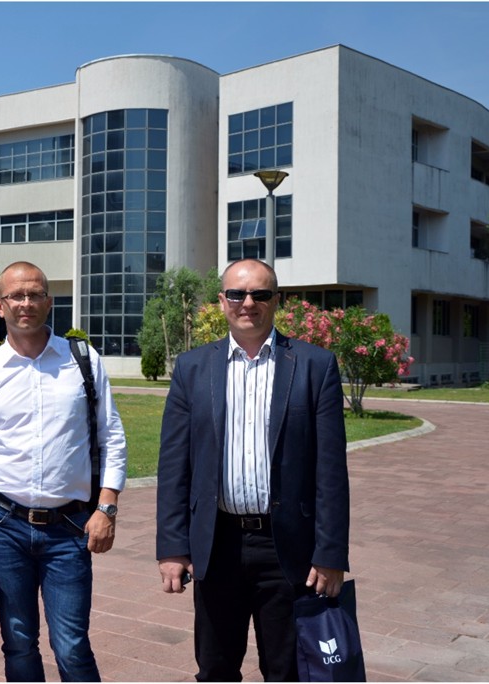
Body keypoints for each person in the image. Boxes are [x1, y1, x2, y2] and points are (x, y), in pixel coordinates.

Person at [155, 258, 350, 682]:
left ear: (276, 300)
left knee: (288, 670)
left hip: (287, 547)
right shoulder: (192, 368)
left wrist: (331, 553)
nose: (248, 303)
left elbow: (331, 471)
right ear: (221, 300)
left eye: (260, 294)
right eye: (237, 294)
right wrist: (172, 546)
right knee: (215, 668)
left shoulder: (314, 366)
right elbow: (173, 465)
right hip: (216, 543)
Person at [0, 261, 128, 682]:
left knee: (71, 643)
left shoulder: (81, 361)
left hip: (69, 527)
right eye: (16, 295)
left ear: (49, 302)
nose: (26, 303)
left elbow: (112, 437)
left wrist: (106, 508)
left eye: (35, 294)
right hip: (4, 525)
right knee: (17, 640)